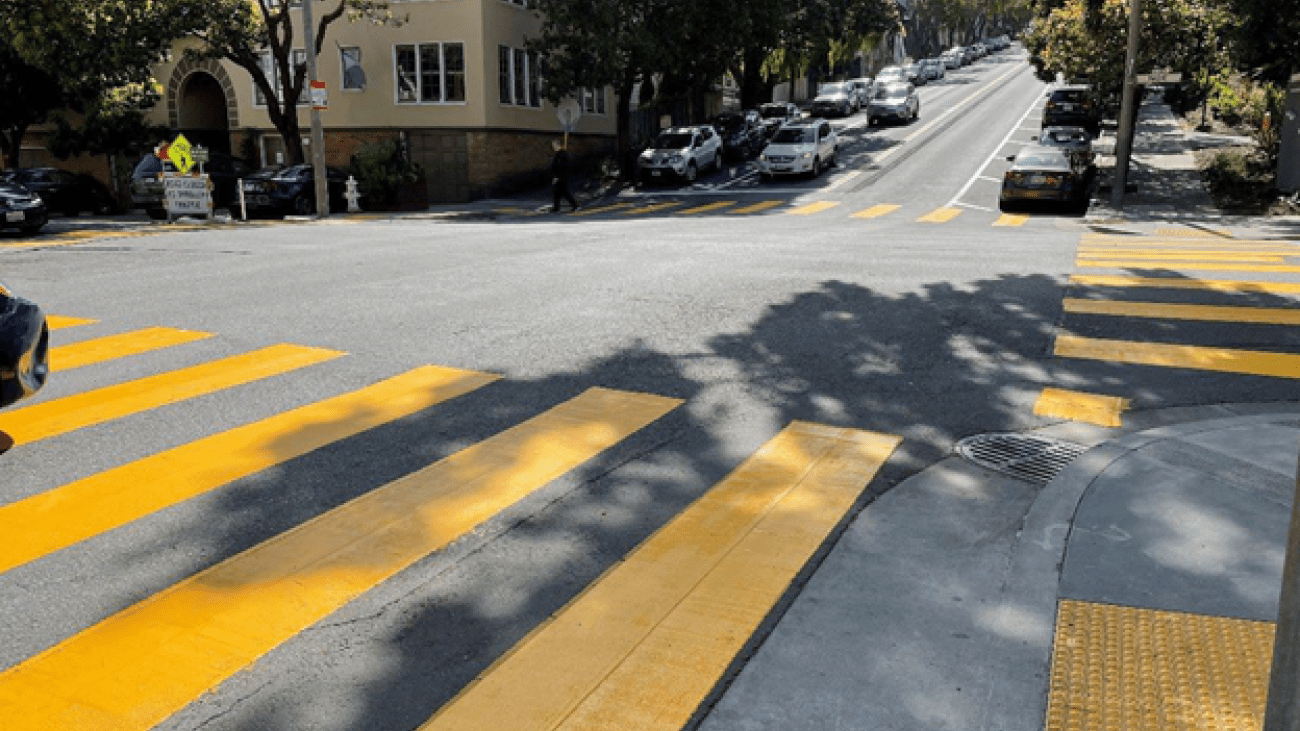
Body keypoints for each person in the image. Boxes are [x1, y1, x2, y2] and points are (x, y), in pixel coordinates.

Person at [550, 140, 580, 213]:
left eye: (555, 145)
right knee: (559, 193)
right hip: (561, 177)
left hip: (561, 177)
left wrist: (557, 176)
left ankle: (575, 206)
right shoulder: (561, 154)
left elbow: (560, 166)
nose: (554, 147)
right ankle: (557, 207)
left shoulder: (561, 155)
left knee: (563, 193)